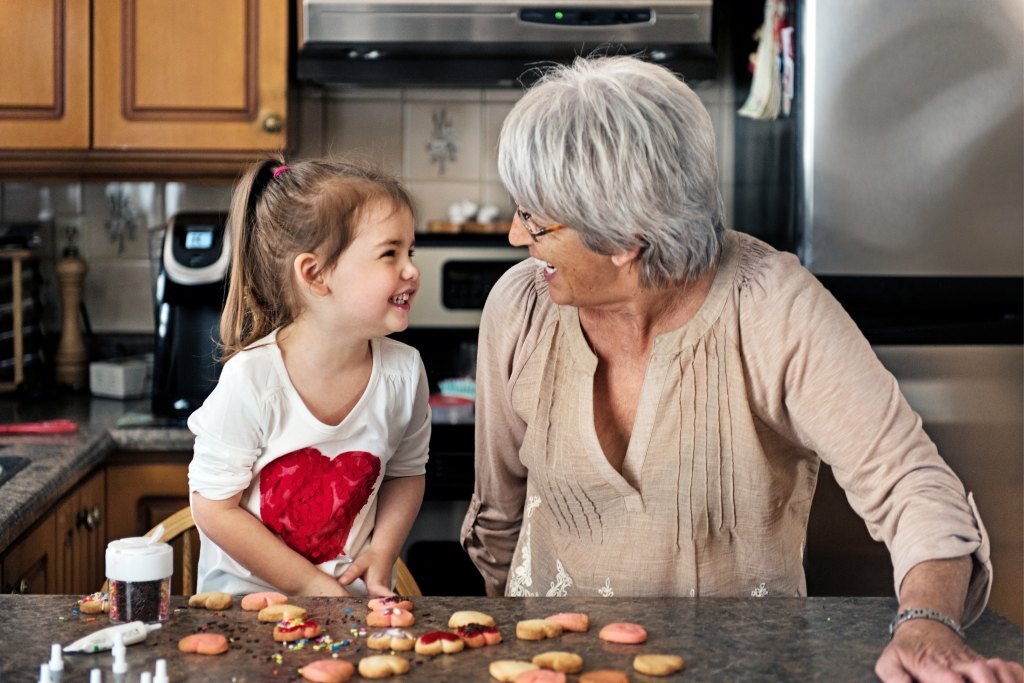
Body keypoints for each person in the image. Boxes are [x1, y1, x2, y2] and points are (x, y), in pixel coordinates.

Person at [461, 56, 1022, 682]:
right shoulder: (520, 306)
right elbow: (499, 516)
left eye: (536, 220)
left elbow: (911, 486)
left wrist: (928, 624)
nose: (515, 236)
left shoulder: (770, 306)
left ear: (624, 239)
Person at [188, 156, 429, 597]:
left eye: (410, 252)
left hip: (351, 613)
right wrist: (313, 586)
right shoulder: (253, 380)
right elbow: (213, 508)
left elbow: (406, 474)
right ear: (315, 274)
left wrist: (382, 552)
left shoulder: (404, 373)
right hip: (249, 613)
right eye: (389, 253)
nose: (411, 270)